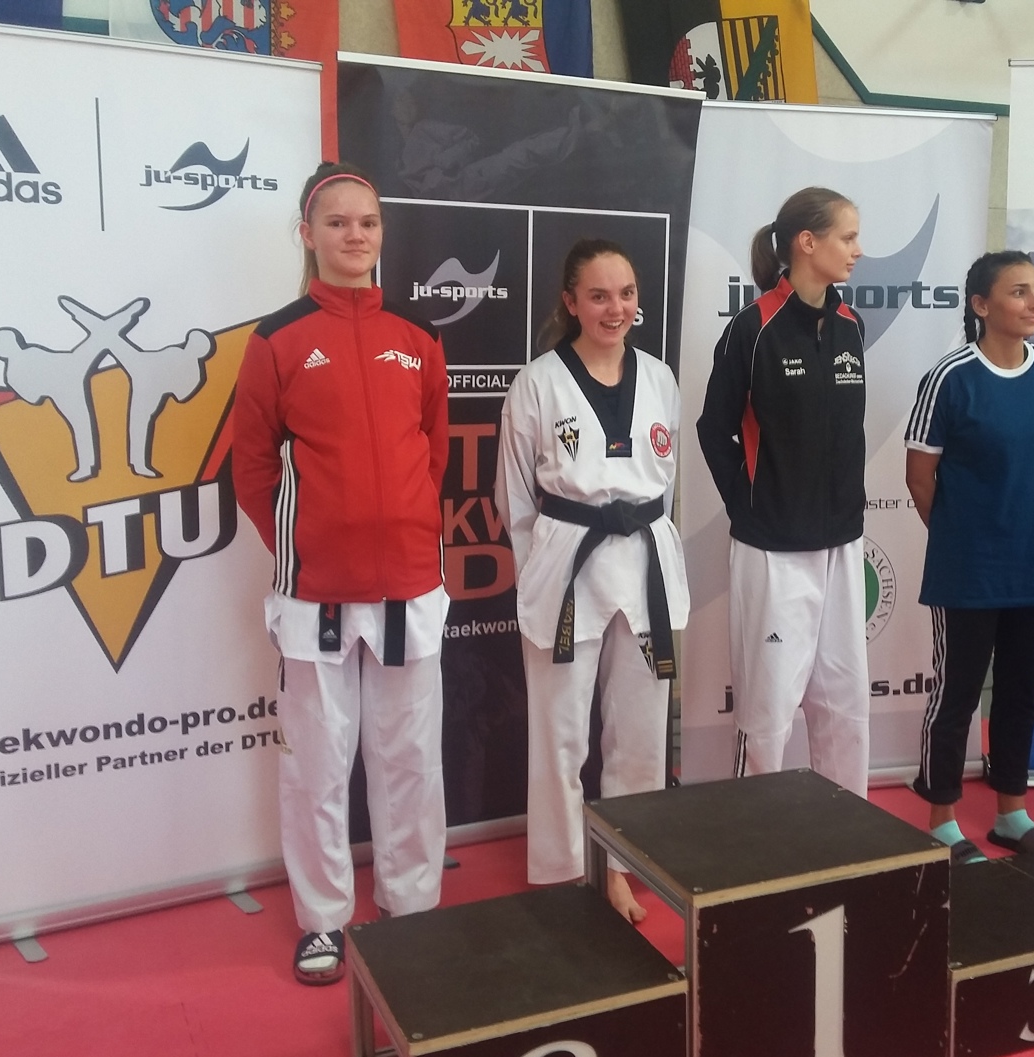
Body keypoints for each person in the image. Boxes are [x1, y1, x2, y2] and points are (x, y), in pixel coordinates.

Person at [232, 162, 451, 983]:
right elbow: (252, 467)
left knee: (410, 758)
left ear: (381, 233)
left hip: (408, 587)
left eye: (367, 222)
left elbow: (431, 453)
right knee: (318, 766)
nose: (354, 235)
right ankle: (324, 919)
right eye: (337, 222)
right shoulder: (278, 339)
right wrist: (304, 544)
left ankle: (412, 907)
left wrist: (402, 527)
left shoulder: (418, 336)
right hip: (315, 593)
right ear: (308, 234)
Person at [495, 239, 688, 924]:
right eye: (599, 295)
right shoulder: (538, 382)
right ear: (570, 302)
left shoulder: (659, 377)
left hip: (644, 562)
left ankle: (626, 866)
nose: (616, 308)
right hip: (567, 564)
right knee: (560, 732)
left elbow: (668, 485)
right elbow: (515, 498)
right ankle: (565, 872)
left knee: (640, 730)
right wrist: (541, 569)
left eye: (626, 293)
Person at [696, 187, 870, 796]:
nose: (858, 249)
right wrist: (752, 507)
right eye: (848, 237)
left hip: (842, 545)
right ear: (807, 242)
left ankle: (848, 831)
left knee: (845, 704)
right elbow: (714, 429)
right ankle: (756, 836)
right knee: (768, 713)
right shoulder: (753, 328)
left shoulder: (851, 326)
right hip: (773, 552)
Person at [902, 250, 1034, 865]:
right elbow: (920, 477)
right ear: (981, 305)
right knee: (957, 696)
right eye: (1018, 292)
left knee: (1021, 693)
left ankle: (1010, 815)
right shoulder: (951, 378)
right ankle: (942, 822)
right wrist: (961, 539)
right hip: (969, 573)